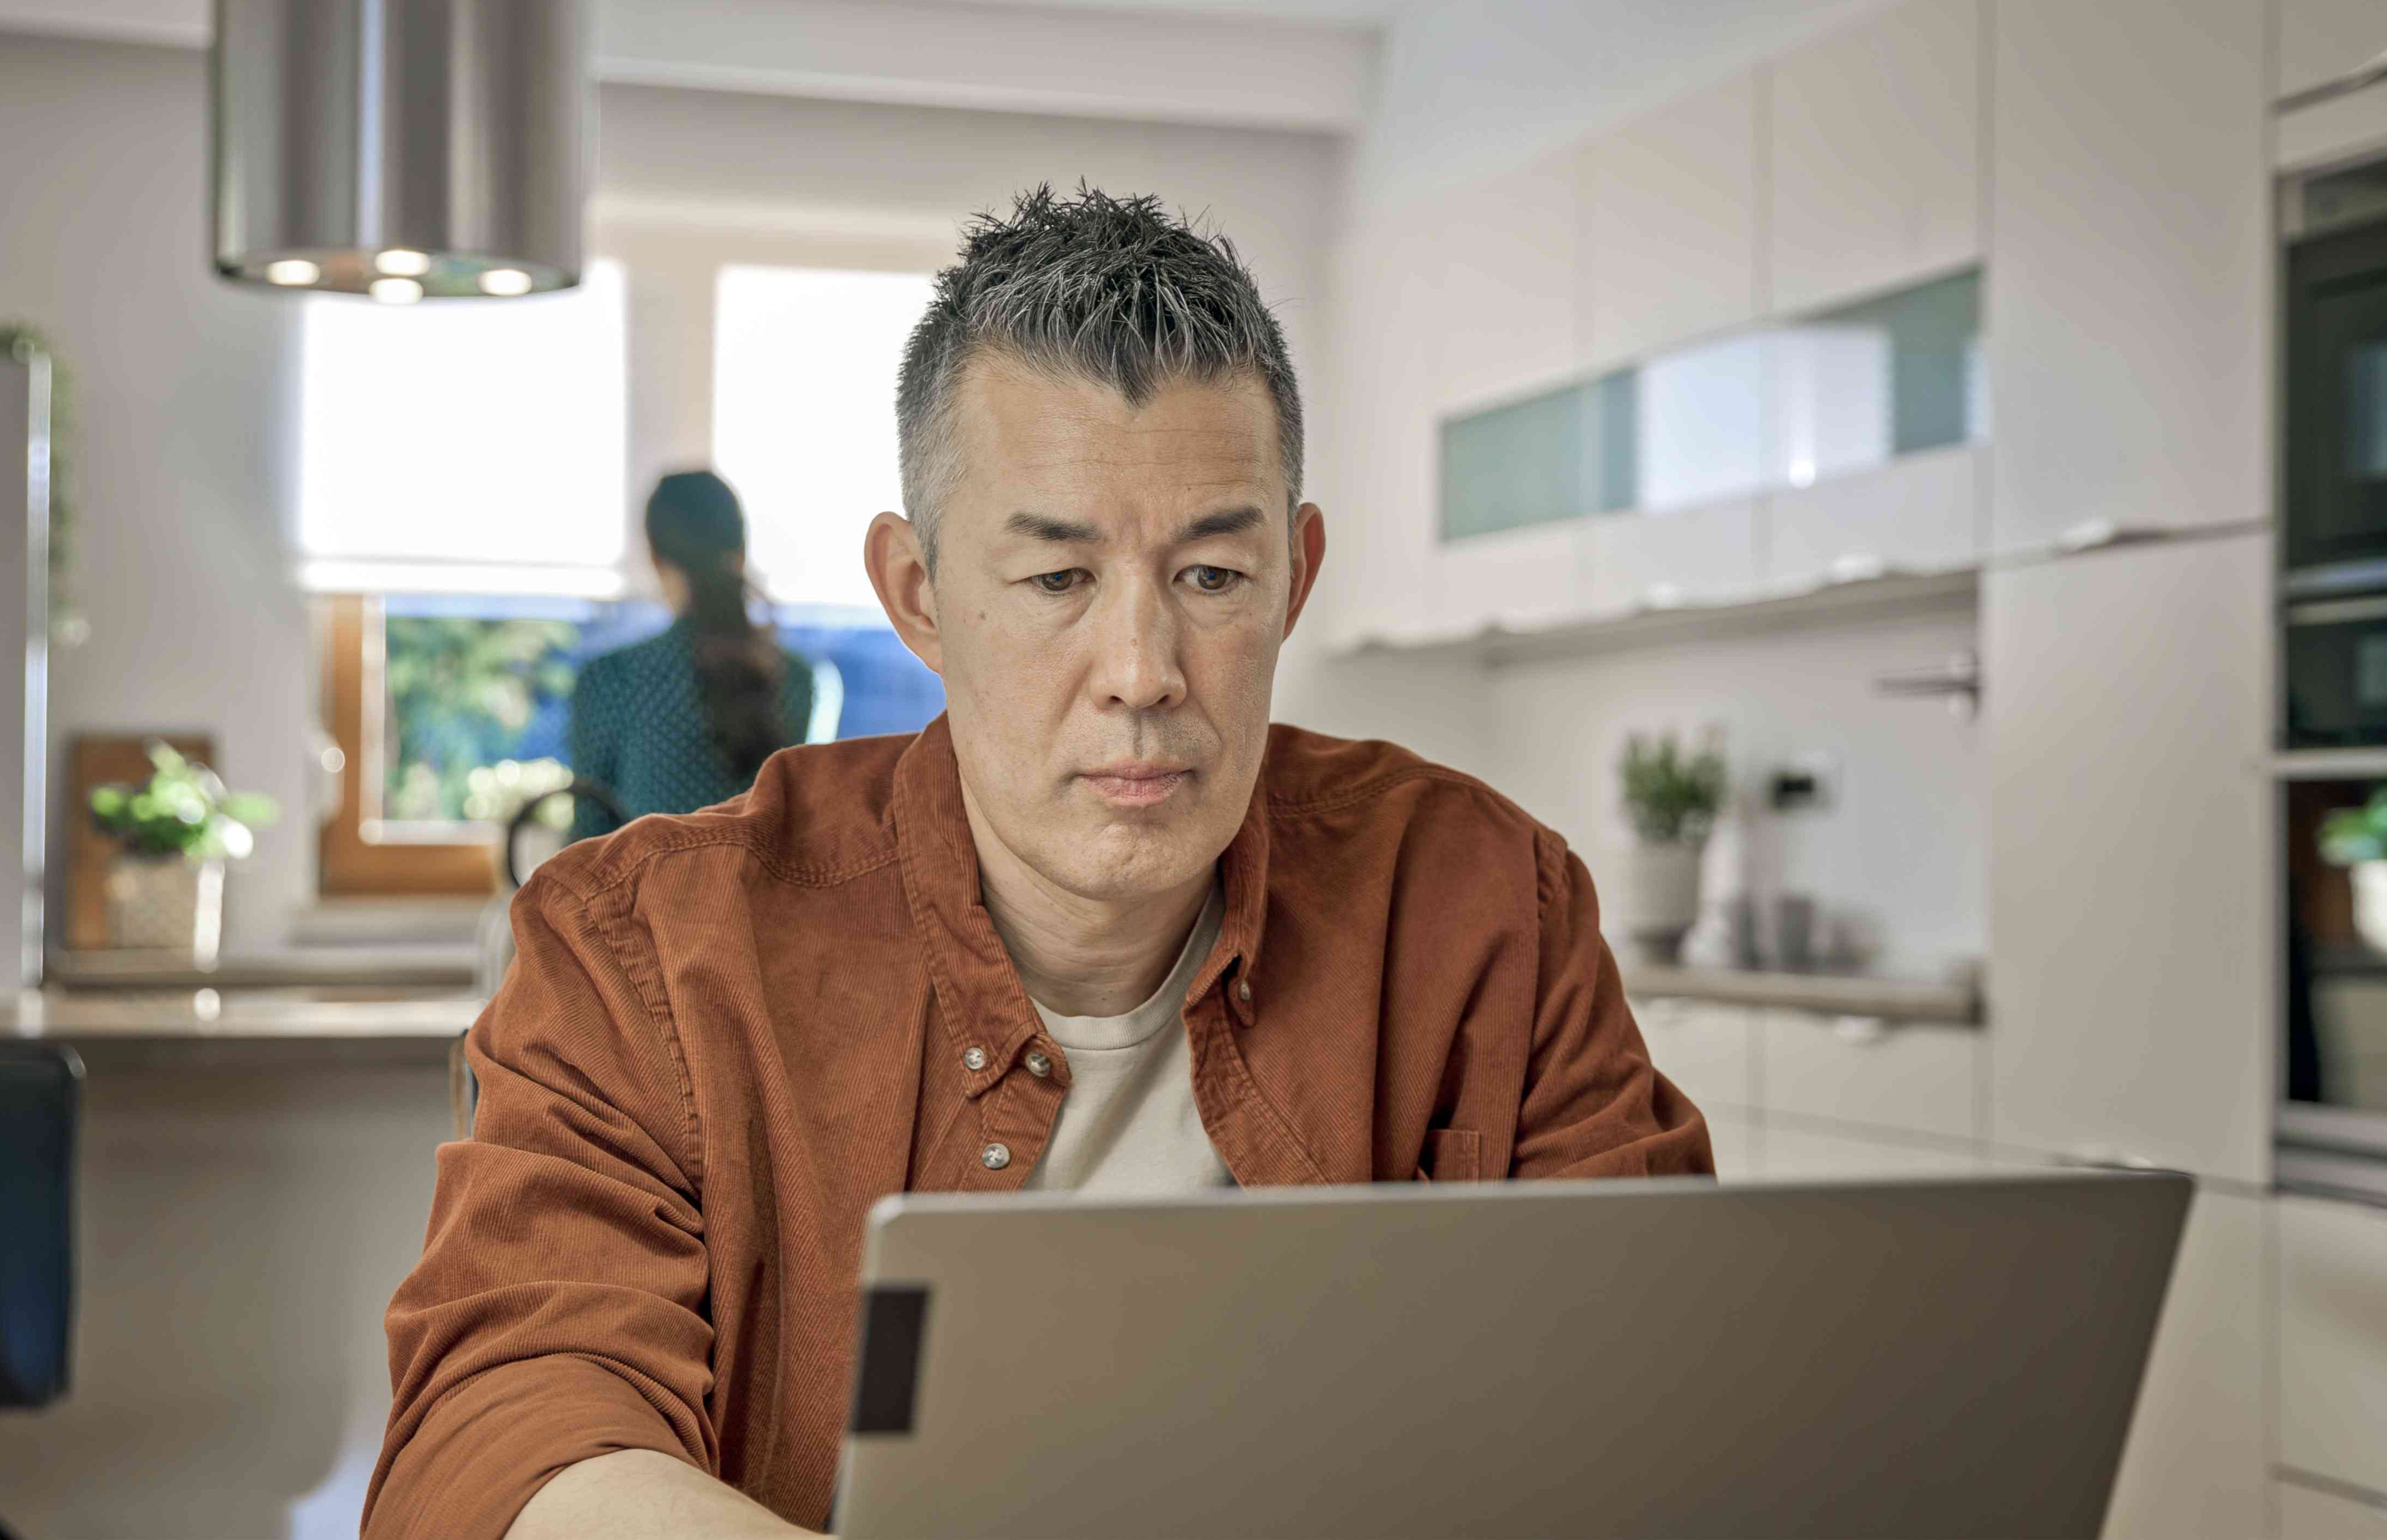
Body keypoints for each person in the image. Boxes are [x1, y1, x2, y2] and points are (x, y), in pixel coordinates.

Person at [364, 185, 1714, 1540]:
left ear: (1293, 579)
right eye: (1057, 580)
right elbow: (513, 1418)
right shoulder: (636, 946)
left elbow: (1670, 1391)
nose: (1139, 675)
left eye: (1210, 577)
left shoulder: (1484, 901)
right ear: (918, 596)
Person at [566, 470, 818, 840]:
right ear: (742, 551)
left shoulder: (611, 679)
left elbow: (588, 840)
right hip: (764, 899)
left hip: (650, 899)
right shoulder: (798, 679)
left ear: (654, 556)